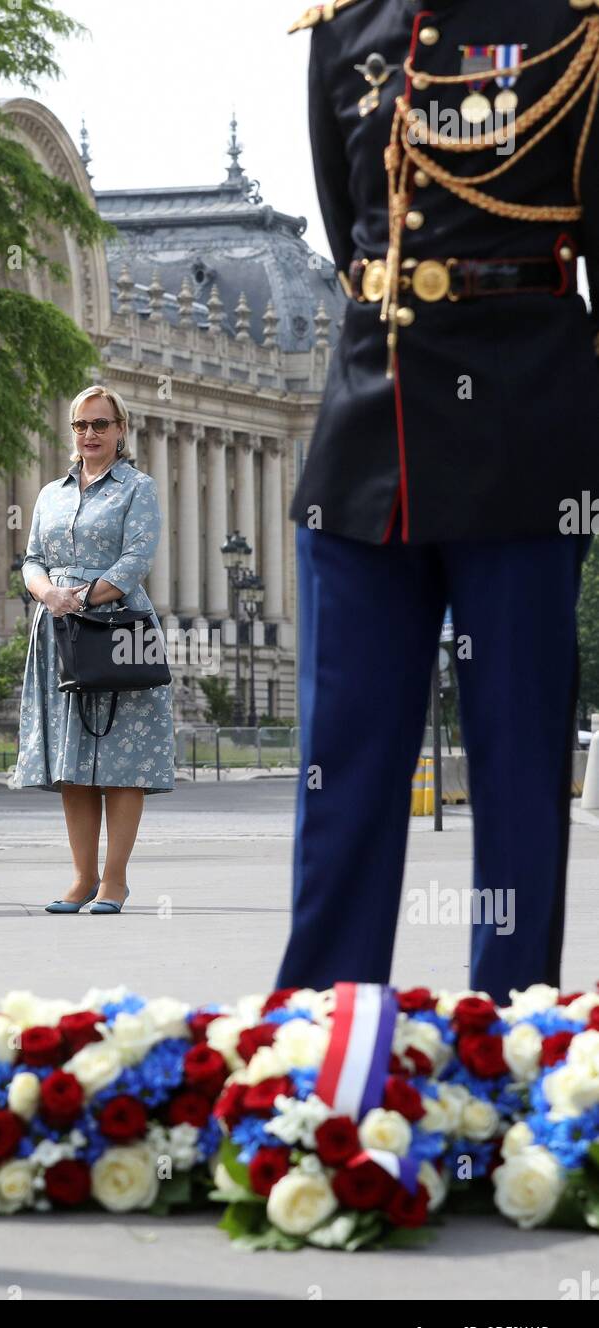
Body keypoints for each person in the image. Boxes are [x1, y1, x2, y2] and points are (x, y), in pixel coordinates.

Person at [277, 0, 599, 1000]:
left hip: (521, 432)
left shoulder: (574, 25)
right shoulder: (345, 28)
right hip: (368, 435)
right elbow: (350, 238)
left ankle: (510, 1055)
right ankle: (320, 1063)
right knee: (341, 773)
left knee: (514, 775)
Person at [9, 385, 175, 913]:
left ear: (121, 430)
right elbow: (32, 558)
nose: (90, 434)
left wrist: (80, 596)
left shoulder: (138, 488)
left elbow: (134, 560)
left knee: (121, 761)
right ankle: (80, 879)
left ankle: (115, 881)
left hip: (119, 627)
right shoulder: (51, 493)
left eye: (101, 425)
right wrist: (46, 592)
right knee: (73, 761)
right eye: (81, 425)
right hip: (59, 630)